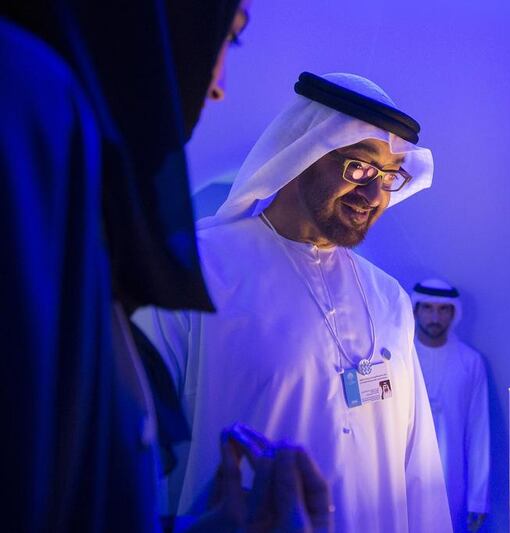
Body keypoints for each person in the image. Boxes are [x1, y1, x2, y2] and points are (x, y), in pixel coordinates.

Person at [2, 2, 329, 531]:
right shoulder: (30, 103)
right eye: (231, 37)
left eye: (389, 175)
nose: (217, 85)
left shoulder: (383, 295)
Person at [135, 72, 451, 532]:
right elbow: (133, 457)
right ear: (303, 152)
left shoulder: (388, 297)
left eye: (388, 177)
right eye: (359, 167)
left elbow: (416, 461)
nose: (374, 195)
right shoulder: (193, 269)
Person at [412, 279, 490, 533]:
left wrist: (478, 498)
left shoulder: (470, 361)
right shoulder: (402, 355)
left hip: (451, 482)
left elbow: (479, 433)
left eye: (443, 309)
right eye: (428, 308)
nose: (435, 316)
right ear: (416, 310)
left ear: (453, 313)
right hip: (405, 481)